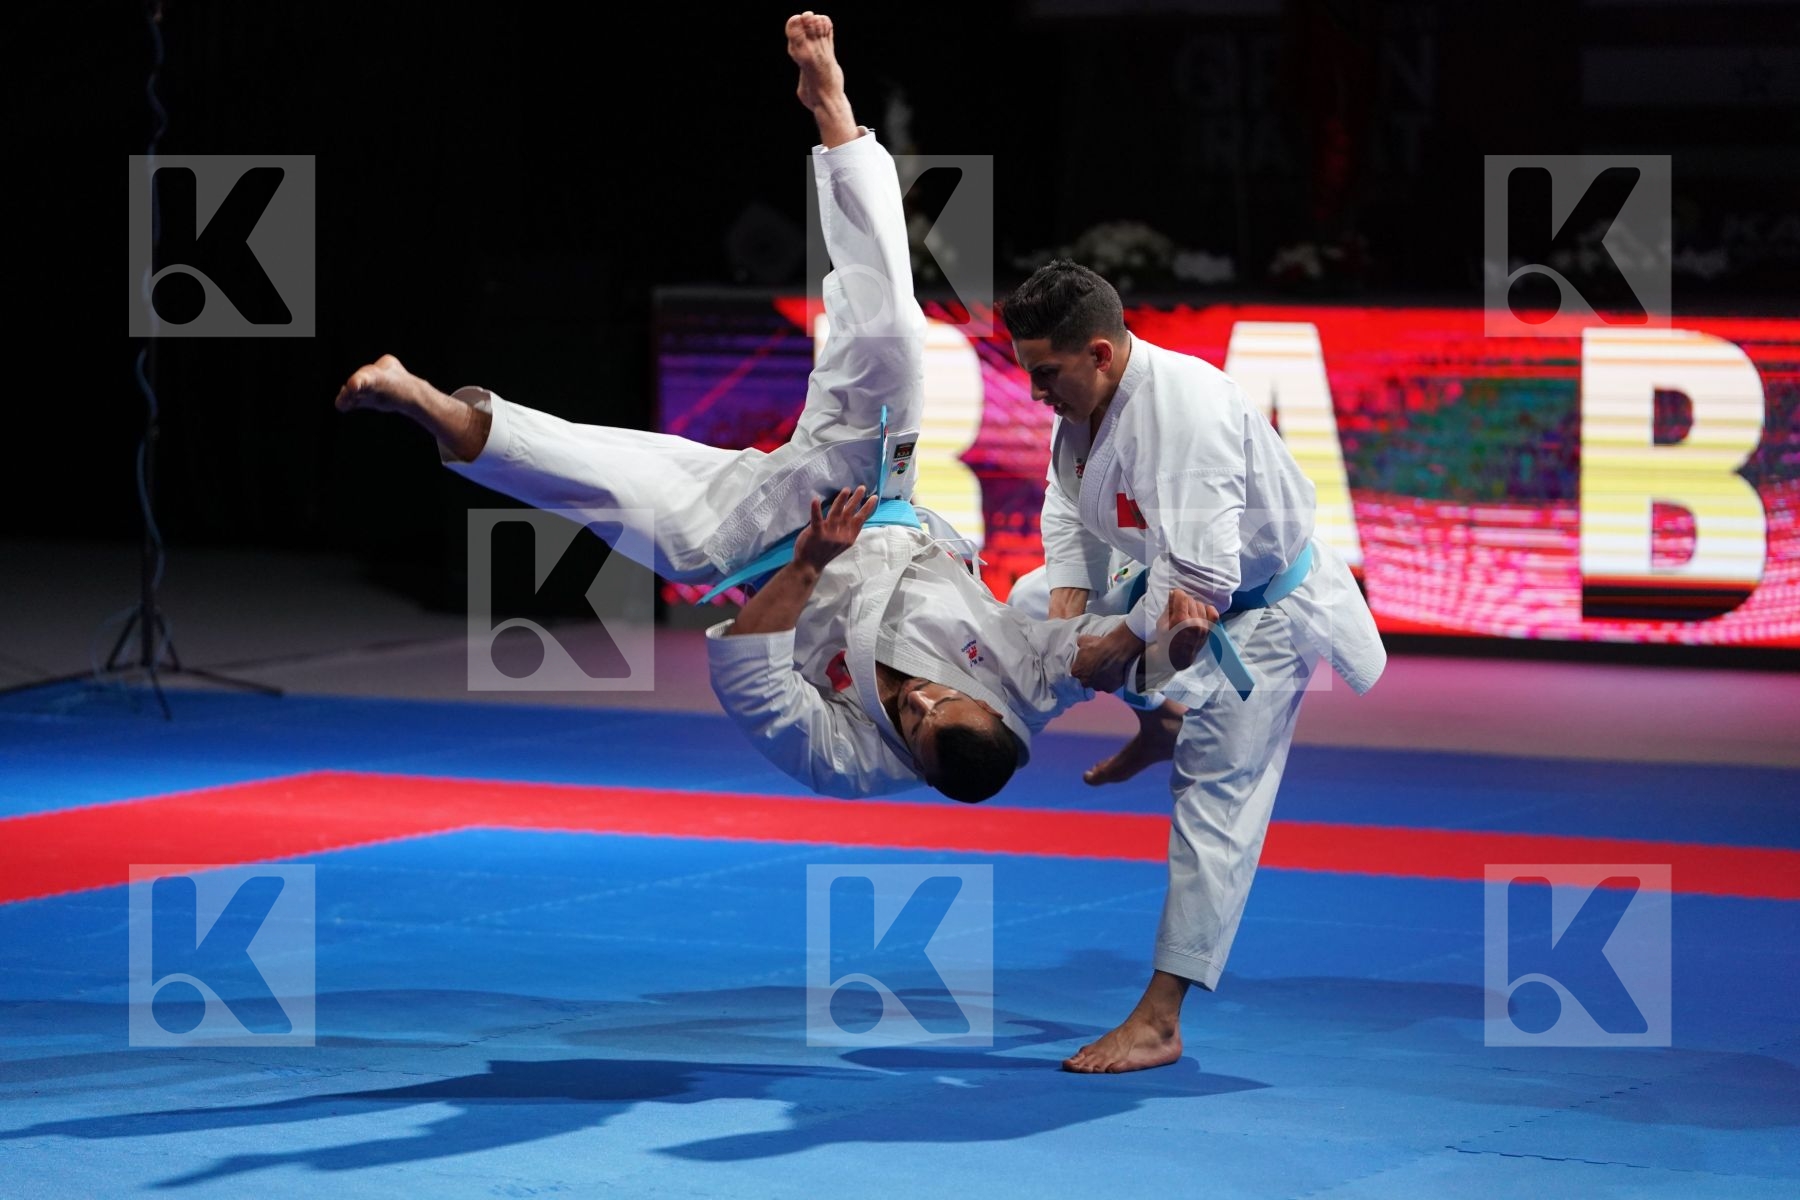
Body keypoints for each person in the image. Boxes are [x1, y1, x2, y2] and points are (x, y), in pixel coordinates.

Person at [335, 13, 1179, 805]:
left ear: (915, 763)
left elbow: (747, 672)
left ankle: (424, 403)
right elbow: (1121, 648)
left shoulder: (853, 764)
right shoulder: (1032, 684)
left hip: (752, 553)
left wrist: (808, 564)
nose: (917, 703)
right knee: (892, 333)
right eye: (938, 704)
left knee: (596, 486)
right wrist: (1159, 707)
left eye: (915, 726)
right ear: (998, 718)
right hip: (869, 499)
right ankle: (836, 114)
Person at [1002, 260, 1388, 1072]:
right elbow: (1066, 501)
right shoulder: (1087, 399)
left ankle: (1161, 1021)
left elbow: (1204, 578)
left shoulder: (1188, 411)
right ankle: (1161, 712)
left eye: (1046, 373)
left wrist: (1118, 645)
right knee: (1030, 607)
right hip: (1170, 584)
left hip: (1259, 610)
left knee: (1214, 804)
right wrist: (1073, 608)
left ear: (1098, 352)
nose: (1037, 391)